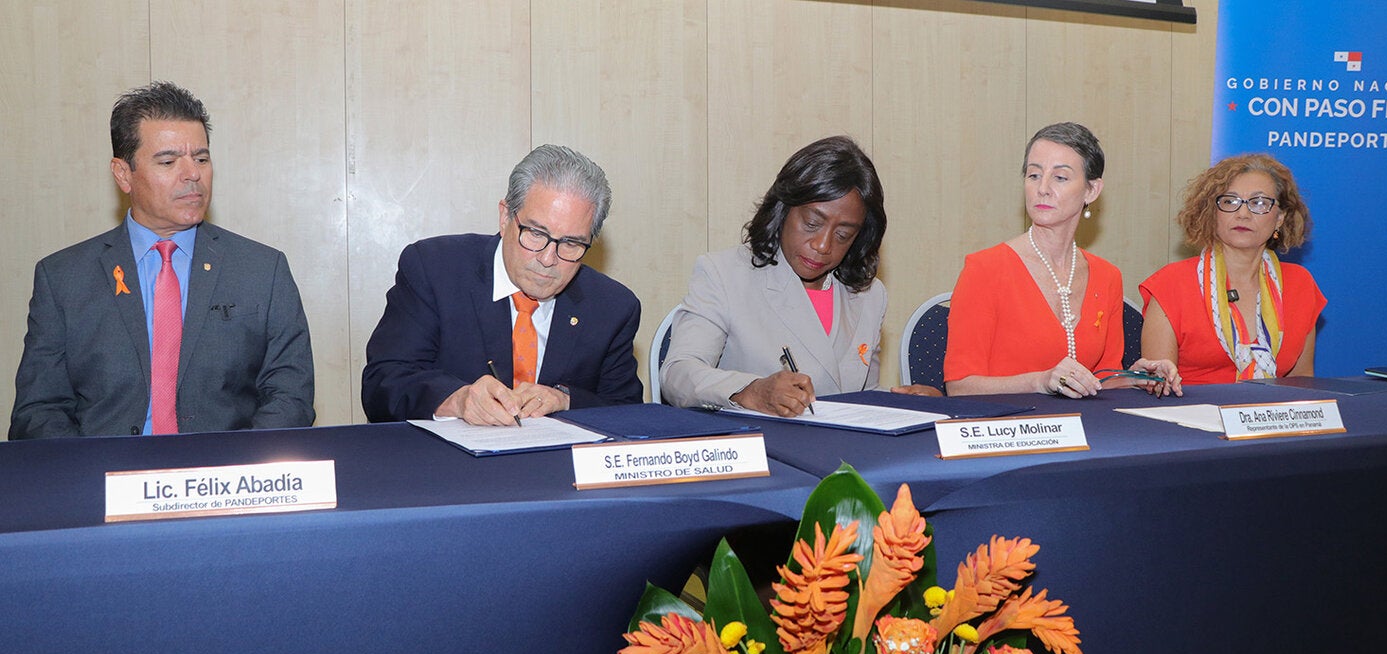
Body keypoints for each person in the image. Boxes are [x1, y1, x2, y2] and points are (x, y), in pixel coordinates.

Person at [9, 81, 315, 439]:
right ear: (124, 174)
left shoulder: (262, 271)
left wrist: (235, 472)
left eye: (201, 159)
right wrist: (93, 477)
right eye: (168, 161)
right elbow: (39, 410)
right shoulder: (64, 278)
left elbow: (289, 396)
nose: (192, 175)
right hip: (103, 480)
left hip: (224, 483)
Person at [362, 144, 642, 425]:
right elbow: (383, 384)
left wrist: (567, 401)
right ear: (506, 217)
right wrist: (457, 400)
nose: (548, 258)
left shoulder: (612, 307)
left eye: (570, 243)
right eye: (535, 233)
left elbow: (629, 414)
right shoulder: (435, 270)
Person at [914, 122, 1180, 398]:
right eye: (1033, 175)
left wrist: (1135, 378)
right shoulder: (985, 269)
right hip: (1007, 429)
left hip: (1085, 430)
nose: (1042, 188)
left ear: (1091, 190)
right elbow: (960, 386)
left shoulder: (1107, 276)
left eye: (1060, 178)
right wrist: (1040, 382)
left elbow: (1099, 380)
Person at [660, 136, 887, 416]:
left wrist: (910, 402)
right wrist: (750, 391)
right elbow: (677, 374)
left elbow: (864, 399)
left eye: (843, 235)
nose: (823, 245)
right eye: (812, 223)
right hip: (762, 447)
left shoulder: (869, 295)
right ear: (783, 209)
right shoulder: (725, 274)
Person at [1139, 154, 1325, 384]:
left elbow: (1303, 384)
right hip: (1191, 414)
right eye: (1230, 201)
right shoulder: (1171, 284)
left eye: (1259, 203)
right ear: (1212, 213)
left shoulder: (1300, 284)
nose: (1243, 214)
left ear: (1279, 218)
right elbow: (1157, 387)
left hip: (1273, 417)